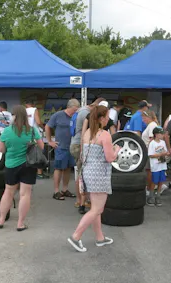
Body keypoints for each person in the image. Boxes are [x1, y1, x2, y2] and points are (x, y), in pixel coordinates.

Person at [67, 105, 119, 252]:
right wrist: (117, 150)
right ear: (101, 118)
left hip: (88, 172)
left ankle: (100, 238)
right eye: (107, 117)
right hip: (100, 175)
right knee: (97, 209)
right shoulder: (105, 135)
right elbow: (110, 158)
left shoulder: (87, 133)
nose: (108, 119)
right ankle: (76, 236)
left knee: (96, 208)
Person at [0, 105, 44, 231]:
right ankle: (20, 223)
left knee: (8, 192)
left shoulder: (7, 131)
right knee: (25, 194)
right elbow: (42, 147)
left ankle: (1, 220)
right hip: (28, 165)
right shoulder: (32, 130)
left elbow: (1, 149)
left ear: (14, 116)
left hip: (11, 165)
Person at [71, 98, 105, 214]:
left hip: (80, 145)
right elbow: (84, 135)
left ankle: (81, 201)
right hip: (81, 146)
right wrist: (82, 150)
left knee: (82, 174)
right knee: (83, 175)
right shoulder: (87, 114)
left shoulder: (83, 112)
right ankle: (82, 201)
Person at [46, 99, 80, 201]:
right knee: (59, 168)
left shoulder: (76, 116)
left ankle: (65, 189)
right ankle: (56, 191)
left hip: (72, 146)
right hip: (60, 147)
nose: (75, 112)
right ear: (69, 107)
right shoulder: (58, 115)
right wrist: (50, 141)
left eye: (76, 110)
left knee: (68, 168)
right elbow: (47, 127)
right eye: (74, 110)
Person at [25, 98, 46, 180]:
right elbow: (38, 122)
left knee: (27, 152)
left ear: (26, 104)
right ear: (33, 104)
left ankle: (27, 172)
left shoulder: (23, 111)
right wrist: (43, 127)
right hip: (34, 133)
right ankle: (39, 173)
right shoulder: (34, 110)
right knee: (38, 152)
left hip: (25, 133)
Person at [147, 127, 168, 207]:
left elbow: (165, 151)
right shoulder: (152, 143)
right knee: (154, 181)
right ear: (156, 134)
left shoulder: (163, 142)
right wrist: (160, 154)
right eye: (160, 134)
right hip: (155, 165)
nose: (162, 135)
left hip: (162, 164)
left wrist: (165, 153)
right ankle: (151, 195)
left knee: (161, 181)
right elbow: (150, 155)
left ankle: (158, 195)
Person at [142, 110, 159, 196]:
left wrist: (149, 151)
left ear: (148, 117)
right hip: (149, 151)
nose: (143, 120)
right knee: (149, 170)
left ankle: (150, 188)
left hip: (150, 151)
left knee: (149, 170)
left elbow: (151, 139)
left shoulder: (152, 125)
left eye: (144, 117)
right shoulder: (151, 125)